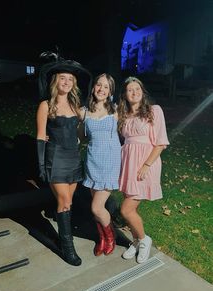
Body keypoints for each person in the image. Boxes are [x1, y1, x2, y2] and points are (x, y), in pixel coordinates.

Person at [36, 54, 91, 266]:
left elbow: (81, 134)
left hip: (73, 157)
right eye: (62, 78)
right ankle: (67, 248)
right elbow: (41, 136)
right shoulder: (45, 105)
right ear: (55, 81)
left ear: (73, 83)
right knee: (65, 201)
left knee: (68, 201)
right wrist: (41, 165)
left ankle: (63, 232)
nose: (66, 82)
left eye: (70, 79)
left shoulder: (76, 105)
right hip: (55, 158)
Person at [118, 76, 169, 263]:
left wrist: (146, 165)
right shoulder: (123, 114)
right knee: (129, 208)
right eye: (130, 89)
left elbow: (161, 142)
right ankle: (136, 242)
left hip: (144, 165)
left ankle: (144, 240)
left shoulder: (154, 111)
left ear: (142, 91)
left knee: (126, 210)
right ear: (125, 94)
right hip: (128, 164)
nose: (134, 92)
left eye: (137, 89)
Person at [81, 73, 121, 256]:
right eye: (99, 85)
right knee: (97, 208)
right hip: (92, 161)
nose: (101, 89)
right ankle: (102, 239)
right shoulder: (83, 111)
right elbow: (80, 137)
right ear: (93, 87)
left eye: (106, 86)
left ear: (110, 91)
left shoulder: (116, 110)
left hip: (110, 162)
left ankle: (111, 237)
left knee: (96, 207)